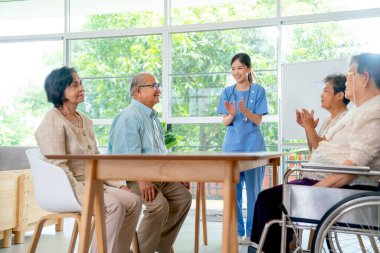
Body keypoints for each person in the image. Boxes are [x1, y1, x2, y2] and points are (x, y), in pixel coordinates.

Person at [250, 53, 380, 253]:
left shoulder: (373, 111)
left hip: (349, 187)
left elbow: (354, 165)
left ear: (365, 77)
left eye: (351, 74)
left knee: (268, 200)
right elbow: (329, 149)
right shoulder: (361, 110)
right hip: (336, 180)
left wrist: (314, 190)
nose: (348, 80)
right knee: (270, 198)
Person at [35, 66, 142, 253]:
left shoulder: (85, 120)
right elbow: (58, 168)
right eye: (74, 85)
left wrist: (117, 185)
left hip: (92, 183)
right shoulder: (51, 122)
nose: (81, 88)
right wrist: (85, 192)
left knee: (133, 200)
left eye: (81, 83)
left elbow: (96, 161)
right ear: (60, 91)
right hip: (68, 187)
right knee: (113, 206)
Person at [108, 72, 192, 253]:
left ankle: (156, 247)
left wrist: (177, 175)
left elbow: (162, 153)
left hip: (158, 176)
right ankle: (143, 250)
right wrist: (143, 179)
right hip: (132, 178)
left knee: (183, 197)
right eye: (154, 86)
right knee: (158, 206)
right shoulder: (129, 117)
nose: (158, 90)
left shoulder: (152, 118)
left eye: (158, 86)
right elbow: (127, 159)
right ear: (138, 91)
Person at [217, 53, 268, 245]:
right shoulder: (227, 92)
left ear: (248, 69)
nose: (236, 72)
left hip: (253, 149)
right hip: (232, 149)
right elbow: (225, 122)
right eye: (233, 68)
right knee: (234, 193)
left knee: (254, 192)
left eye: (239, 68)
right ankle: (238, 233)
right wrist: (231, 114)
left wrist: (246, 111)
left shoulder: (259, 91)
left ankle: (252, 234)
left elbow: (258, 120)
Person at [296, 74, 349, 152]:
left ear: (339, 96)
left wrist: (310, 128)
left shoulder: (346, 119)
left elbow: (323, 150)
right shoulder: (328, 119)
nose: (321, 95)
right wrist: (307, 127)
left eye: (325, 91)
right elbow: (314, 150)